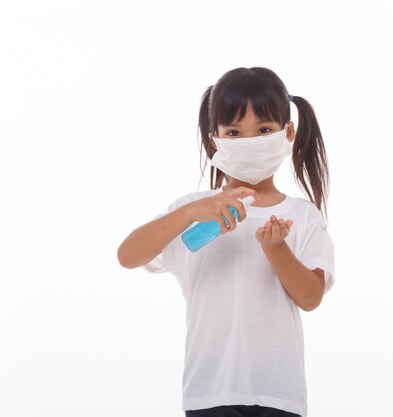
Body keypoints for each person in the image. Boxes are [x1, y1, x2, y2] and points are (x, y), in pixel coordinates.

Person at [117, 67, 335, 417]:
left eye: (263, 130)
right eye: (234, 132)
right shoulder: (194, 212)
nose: (249, 142)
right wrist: (191, 212)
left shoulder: (303, 215)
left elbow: (310, 297)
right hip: (209, 391)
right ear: (214, 139)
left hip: (279, 394)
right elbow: (128, 256)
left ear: (288, 132)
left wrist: (276, 248)